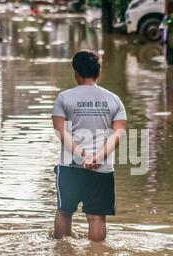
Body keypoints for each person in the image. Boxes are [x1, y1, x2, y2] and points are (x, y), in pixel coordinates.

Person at [52, 50, 127, 242]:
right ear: (99, 73)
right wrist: (98, 157)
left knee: (64, 211)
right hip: (101, 168)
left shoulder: (64, 98)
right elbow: (119, 132)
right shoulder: (114, 99)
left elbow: (62, 131)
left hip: (70, 166)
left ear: (76, 73)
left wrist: (81, 155)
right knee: (96, 218)